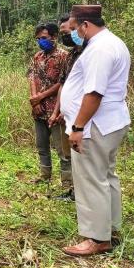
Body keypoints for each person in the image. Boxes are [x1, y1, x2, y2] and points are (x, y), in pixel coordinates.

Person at [60, 5, 131, 257]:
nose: (73, 33)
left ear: (85, 25)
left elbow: (94, 93)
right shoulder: (112, 43)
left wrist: (78, 127)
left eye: (74, 28)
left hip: (95, 124)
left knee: (91, 179)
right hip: (109, 121)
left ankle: (97, 238)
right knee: (106, 176)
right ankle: (111, 229)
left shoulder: (100, 49)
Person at [26, 22, 72, 193]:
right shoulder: (37, 56)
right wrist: (35, 100)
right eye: (38, 39)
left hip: (56, 109)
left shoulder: (64, 56)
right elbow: (31, 77)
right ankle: (44, 175)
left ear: (54, 37)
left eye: (44, 38)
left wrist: (41, 96)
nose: (40, 41)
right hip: (38, 110)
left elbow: (63, 82)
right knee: (42, 146)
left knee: (62, 149)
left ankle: (67, 182)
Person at [47, 14, 85, 201]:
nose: (65, 36)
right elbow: (63, 84)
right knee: (71, 155)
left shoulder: (89, 52)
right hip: (68, 116)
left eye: (67, 31)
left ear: (78, 28)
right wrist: (57, 111)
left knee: (82, 158)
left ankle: (82, 195)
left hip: (83, 118)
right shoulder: (70, 55)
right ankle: (74, 192)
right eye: (62, 32)